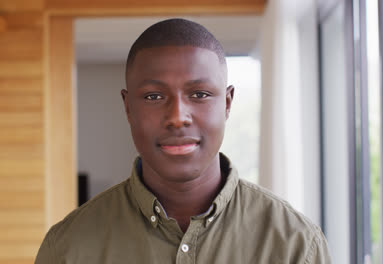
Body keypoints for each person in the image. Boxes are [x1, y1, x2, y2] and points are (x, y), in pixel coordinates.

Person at [35, 18, 331, 264]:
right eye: (154, 96)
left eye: (199, 94)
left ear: (227, 103)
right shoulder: (67, 248)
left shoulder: (296, 245)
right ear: (128, 108)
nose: (177, 117)